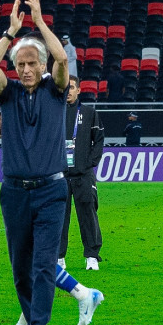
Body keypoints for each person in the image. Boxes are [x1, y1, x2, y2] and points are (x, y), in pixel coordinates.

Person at [0, 0, 102, 325]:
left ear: (42, 65)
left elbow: (63, 58)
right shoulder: (9, 94)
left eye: (31, 62)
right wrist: (12, 32)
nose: (24, 69)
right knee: (21, 269)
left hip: (51, 191)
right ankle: (41, 317)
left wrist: (39, 20)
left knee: (42, 264)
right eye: (20, 64)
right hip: (15, 192)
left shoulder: (55, 90)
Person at [59, 80, 105, 271]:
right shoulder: (54, 113)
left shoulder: (89, 113)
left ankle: (92, 256)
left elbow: (99, 139)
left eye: (71, 87)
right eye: (64, 88)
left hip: (83, 175)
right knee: (59, 217)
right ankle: (58, 257)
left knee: (88, 215)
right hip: (59, 175)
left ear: (78, 90)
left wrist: (89, 163)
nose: (67, 91)